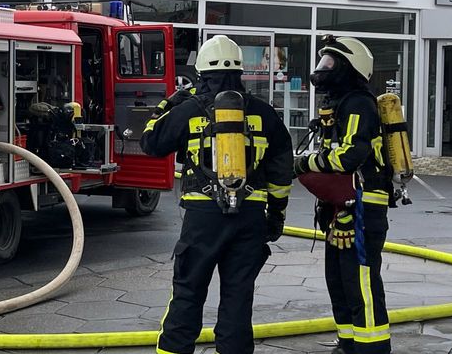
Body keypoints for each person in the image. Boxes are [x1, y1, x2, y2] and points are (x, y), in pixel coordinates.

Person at [141, 35, 293, 354]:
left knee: (188, 292)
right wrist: (276, 213)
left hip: (203, 217)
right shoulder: (264, 114)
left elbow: (151, 143)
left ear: (201, 73)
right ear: (240, 70)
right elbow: (281, 169)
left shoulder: (188, 110)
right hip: (251, 217)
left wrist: (167, 104)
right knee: (238, 299)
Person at [293, 35, 390, 354]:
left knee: (360, 280)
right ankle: (349, 341)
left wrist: (303, 163)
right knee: (338, 279)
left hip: (362, 206)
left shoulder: (359, 103)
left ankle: (372, 348)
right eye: (322, 62)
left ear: (350, 67)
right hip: (341, 206)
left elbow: (350, 156)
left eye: (330, 63)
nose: (322, 70)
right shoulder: (338, 103)